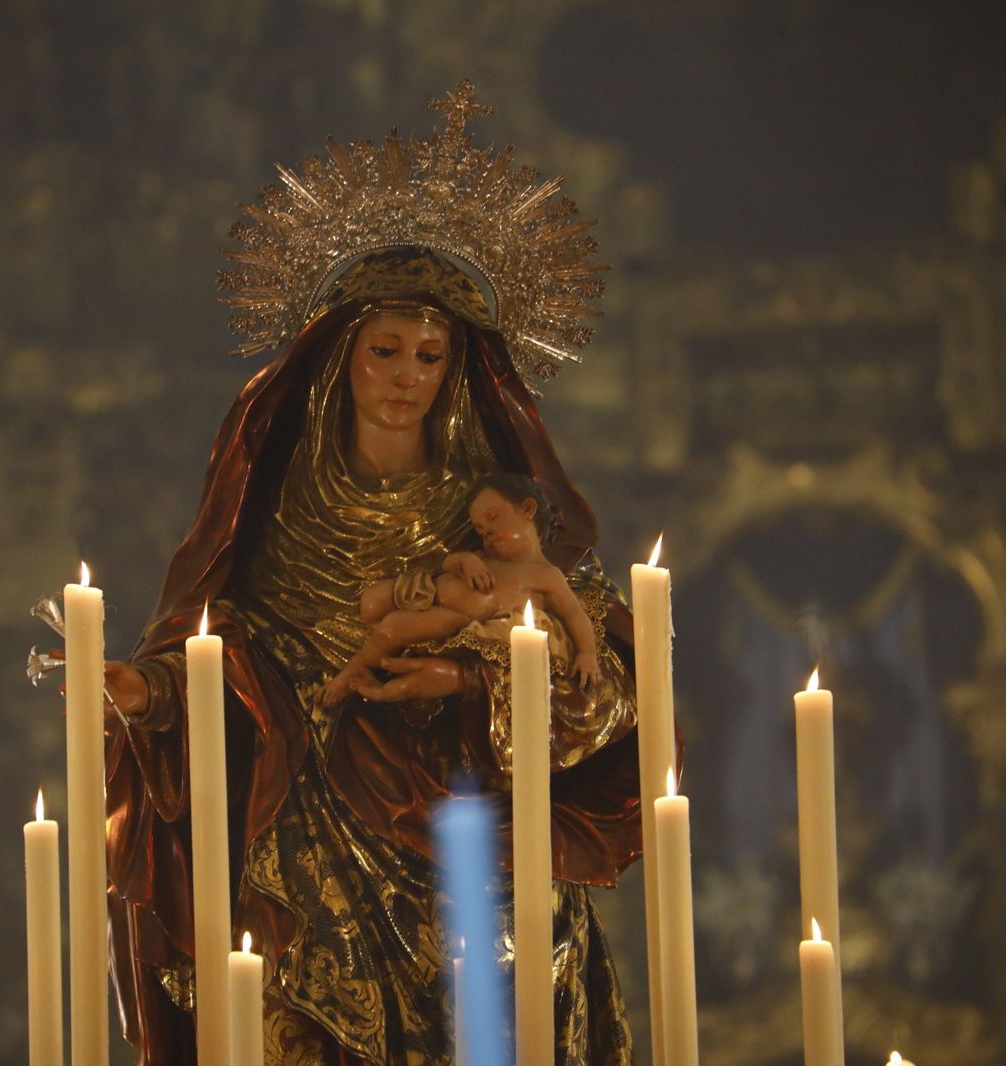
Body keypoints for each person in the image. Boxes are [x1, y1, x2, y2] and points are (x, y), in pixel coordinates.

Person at [92, 86, 644, 1066]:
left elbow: (590, 665)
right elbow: (223, 650)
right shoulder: (268, 509)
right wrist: (150, 691)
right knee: (308, 992)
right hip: (306, 807)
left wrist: (475, 678)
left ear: (455, 370)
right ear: (337, 361)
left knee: (509, 974)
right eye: (383, 350)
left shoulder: (496, 510)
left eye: (429, 355)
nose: (404, 374)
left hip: (464, 807)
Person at [318, 472, 604, 709]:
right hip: (427, 590)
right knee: (371, 603)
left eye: (493, 518)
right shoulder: (483, 556)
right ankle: (367, 663)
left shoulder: (546, 575)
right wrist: (467, 562)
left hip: (454, 619)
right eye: (479, 529)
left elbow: (573, 614)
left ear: (527, 509)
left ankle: (348, 676)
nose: (486, 532)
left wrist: (587, 653)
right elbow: (448, 561)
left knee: (392, 628)